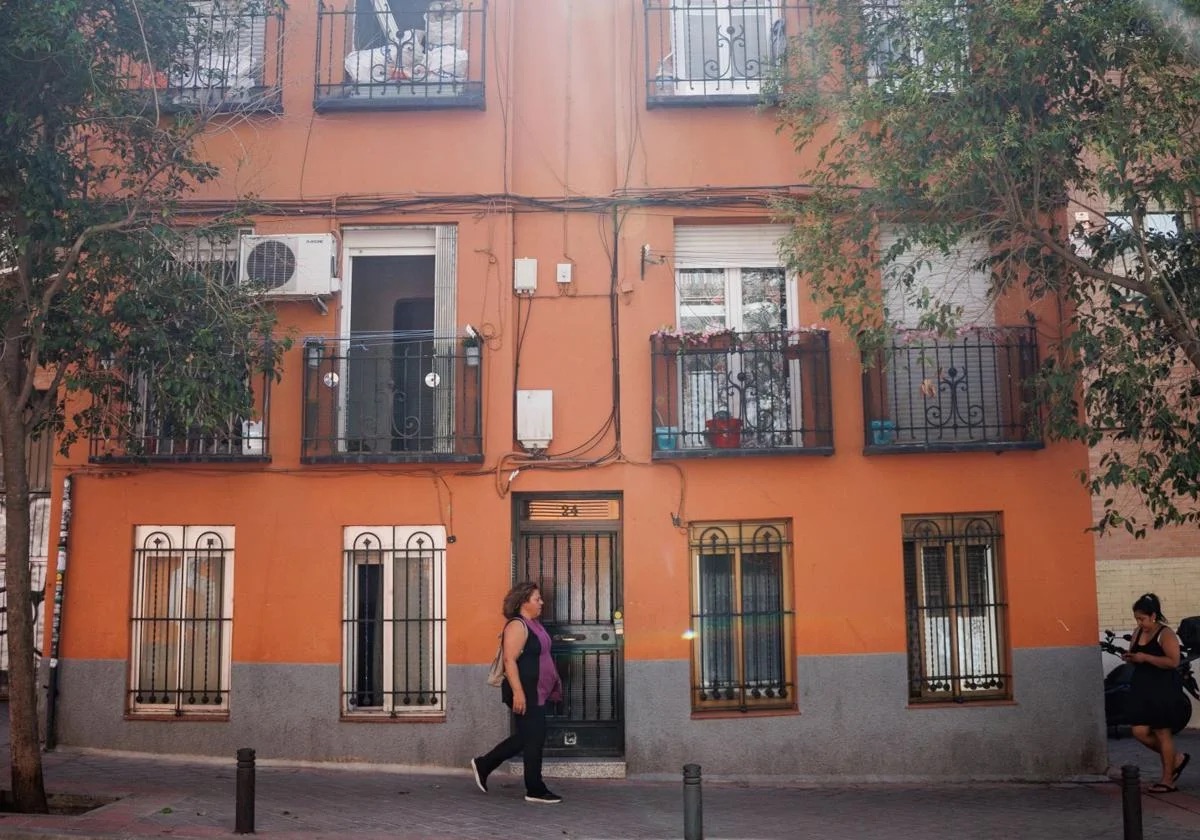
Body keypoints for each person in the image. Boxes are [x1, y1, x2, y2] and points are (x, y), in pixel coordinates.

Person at [470, 581, 564, 803]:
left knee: (528, 737)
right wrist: (519, 693)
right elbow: (509, 660)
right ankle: (535, 789)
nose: (541, 602)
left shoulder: (534, 624)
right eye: (537, 599)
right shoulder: (516, 625)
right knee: (533, 737)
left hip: (537, 691)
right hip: (524, 691)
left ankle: (484, 764)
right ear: (524, 602)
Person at [1125, 592, 1191, 793]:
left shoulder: (1166, 634)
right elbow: (1137, 654)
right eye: (1137, 618)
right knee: (1139, 731)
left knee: (1163, 732)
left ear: (1153, 616)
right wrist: (1132, 657)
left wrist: (1146, 658)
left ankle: (1167, 779)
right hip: (1142, 686)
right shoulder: (1137, 632)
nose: (1140, 622)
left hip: (1162, 687)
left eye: (1142, 618)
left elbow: (1173, 661)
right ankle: (1176, 758)